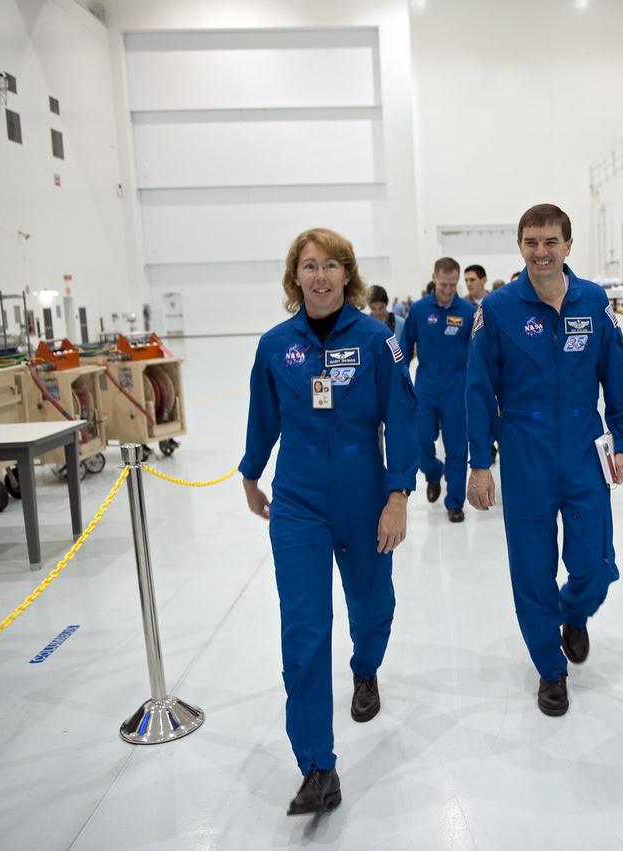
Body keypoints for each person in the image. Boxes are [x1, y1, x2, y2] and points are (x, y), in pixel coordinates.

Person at [239, 228, 418, 816]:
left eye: (330, 265)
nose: (319, 276)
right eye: (308, 266)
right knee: (305, 631)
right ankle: (318, 765)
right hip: (298, 500)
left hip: (365, 491)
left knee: (372, 608)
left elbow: (403, 415)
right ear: (296, 277)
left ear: (348, 275)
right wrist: (250, 472)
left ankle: (365, 669)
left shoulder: (377, 340)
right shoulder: (275, 346)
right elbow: (263, 416)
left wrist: (398, 494)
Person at [466, 203, 623, 717]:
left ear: (568, 245)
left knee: (595, 563)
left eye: (550, 242)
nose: (540, 253)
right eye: (531, 242)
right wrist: (479, 464)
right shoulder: (497, 310)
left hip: (585, 447)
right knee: (531, 566)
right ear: (521, 246)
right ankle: (550, 668)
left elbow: (617, 375)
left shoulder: (593, 301)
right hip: (525, 449)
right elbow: (478, 391)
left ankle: (574, 612)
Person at [403, 257, 475, 522]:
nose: (447, 290)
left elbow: (477, 354)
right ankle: (433, 472)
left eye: (452, 285)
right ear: (434, 279)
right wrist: (400, 384)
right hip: (426, 385)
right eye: (443, 284)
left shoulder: (467, 312)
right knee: (419, 440)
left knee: (457, 447)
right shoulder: (420, 311)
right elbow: (404, 349)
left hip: (457, 387)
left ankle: (455, 502)